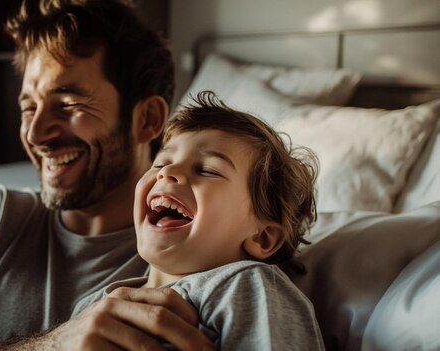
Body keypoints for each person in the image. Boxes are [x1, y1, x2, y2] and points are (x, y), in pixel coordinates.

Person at [0, 0, 215, 350]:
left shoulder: (192, 258)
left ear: (147, 119)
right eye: (29, 108)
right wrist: (49, 346)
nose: (35, 134)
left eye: (68, 105)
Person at [71, 91, 326, 350]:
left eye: (207, 170)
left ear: (262, 237)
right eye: (160, 164)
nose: (168, 173)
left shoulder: (245, 286)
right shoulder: (92, 307)